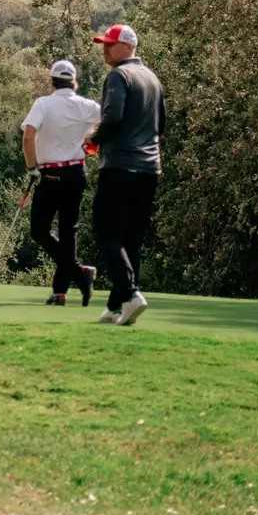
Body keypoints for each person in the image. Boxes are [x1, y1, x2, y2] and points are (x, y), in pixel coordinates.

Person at [88, 24, 165, 327]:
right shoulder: (153, 79)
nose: (104, 49)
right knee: (131, 236)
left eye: (109, 44)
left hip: (120, 165)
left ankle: (131, 294)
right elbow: (161, 127)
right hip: (149, 169)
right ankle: (116, 305)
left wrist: (93, 139)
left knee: (105, 230)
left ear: (127, 47)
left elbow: (113, 117)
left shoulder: (119, 76)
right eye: (104, 44)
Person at [20, 60, 100, 306]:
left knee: (39, 230)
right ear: (74, 81)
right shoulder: (87, 105)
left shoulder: (43, 103)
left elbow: (28, 136)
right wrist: (90, 139)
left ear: (52, 81)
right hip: (76, 173)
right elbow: (110, 120)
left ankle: (76, 276)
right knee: (68, 231)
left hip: (51, 174)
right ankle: (62, 290)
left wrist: (32, 168)